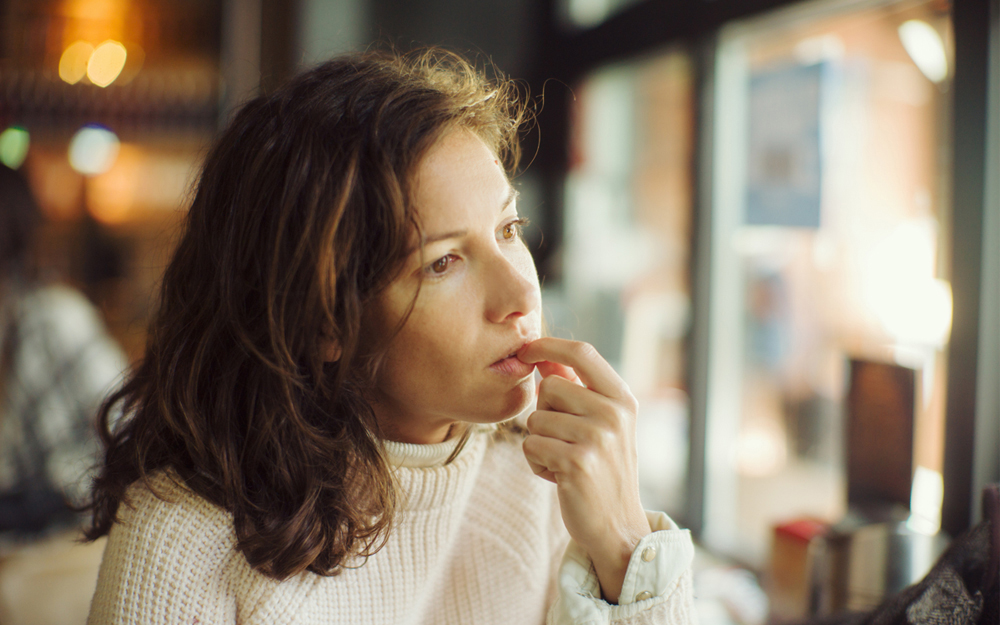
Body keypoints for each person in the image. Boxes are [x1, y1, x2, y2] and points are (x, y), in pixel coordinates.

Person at [84, 48, 696, 624]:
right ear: (323, 321)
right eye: (443, 263)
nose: (521, 296)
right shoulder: (179, 537)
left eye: (509, 229)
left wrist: (625, 548)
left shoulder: (541, 470)